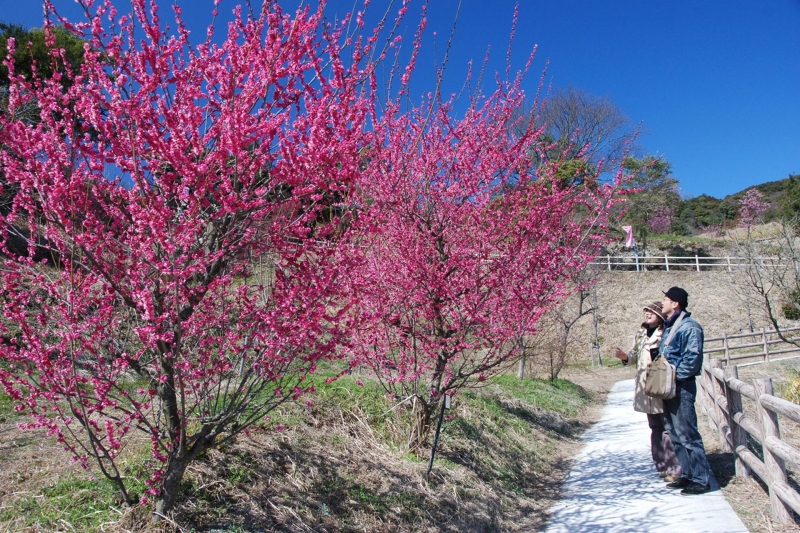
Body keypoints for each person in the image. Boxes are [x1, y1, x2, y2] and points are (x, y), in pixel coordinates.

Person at [614, 302, 682, 482]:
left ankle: (673, 467)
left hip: (661, 384)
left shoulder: (666, 332)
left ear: (659, 315)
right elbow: (634, 356)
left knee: (667, 426)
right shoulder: (640, 334)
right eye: (645, 312)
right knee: (655, 427)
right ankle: (660, 465)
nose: (647, 314)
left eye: (651, 312)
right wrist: (625, 357)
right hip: (645, 387)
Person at [659, 286, 714, 495]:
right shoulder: (671, 326)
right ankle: (688, 474)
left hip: (681, 388)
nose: (662, 303)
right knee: (674, 433)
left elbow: (692, 359)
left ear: (675, 303)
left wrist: (673, 377)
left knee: (688, 433)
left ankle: (701, 479)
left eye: (666, 299)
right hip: (670, 388)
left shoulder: (690, 327)